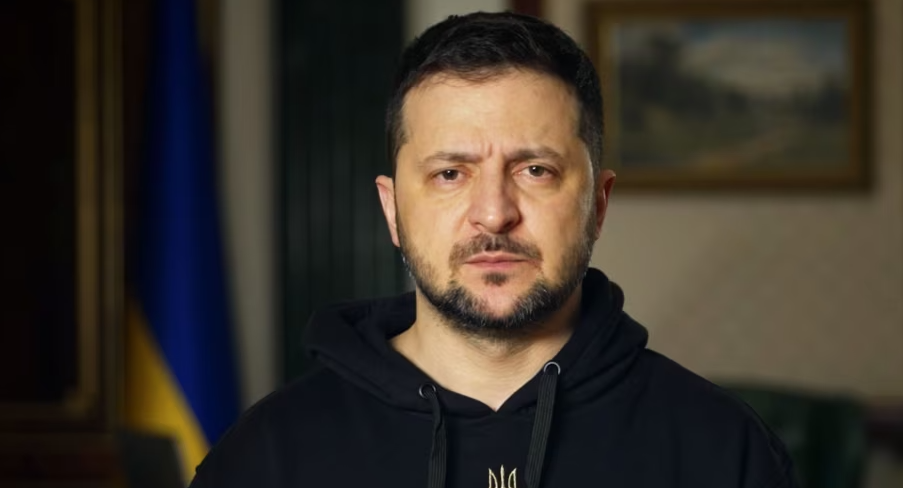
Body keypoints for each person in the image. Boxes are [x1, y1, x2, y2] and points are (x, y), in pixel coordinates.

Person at [189, 11, 796, 488]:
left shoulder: (723, 449)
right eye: (450, 174)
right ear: (392, 210)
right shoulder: (267, 457)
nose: (494, 212)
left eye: (535, 170)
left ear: (598, 204)